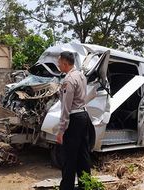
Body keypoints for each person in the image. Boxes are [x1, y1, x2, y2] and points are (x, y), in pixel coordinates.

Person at [56, 51, 92, 190]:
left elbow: (66, 107)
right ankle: (85, 185)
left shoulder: (69, 80)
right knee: (83, 154)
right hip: (84, 117)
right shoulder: (81, 75)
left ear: (65, 64)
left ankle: (66, 187)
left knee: (68, 156)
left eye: (59, 63)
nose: (58, 65)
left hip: (74, 119)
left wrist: (61, 130)